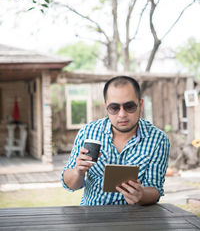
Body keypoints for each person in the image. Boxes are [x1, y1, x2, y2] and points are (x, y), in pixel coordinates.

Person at [61, 75, 170, 206]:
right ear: (106, 106)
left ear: (140, 104)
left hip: (136, 219)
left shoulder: (158, 139)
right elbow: (70, 185)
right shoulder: (88, 132)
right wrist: (77, 171)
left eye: (129, 106)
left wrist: (141, 194)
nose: (122, 114)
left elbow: (155, 188)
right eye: (114, 108)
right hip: (92, 216)